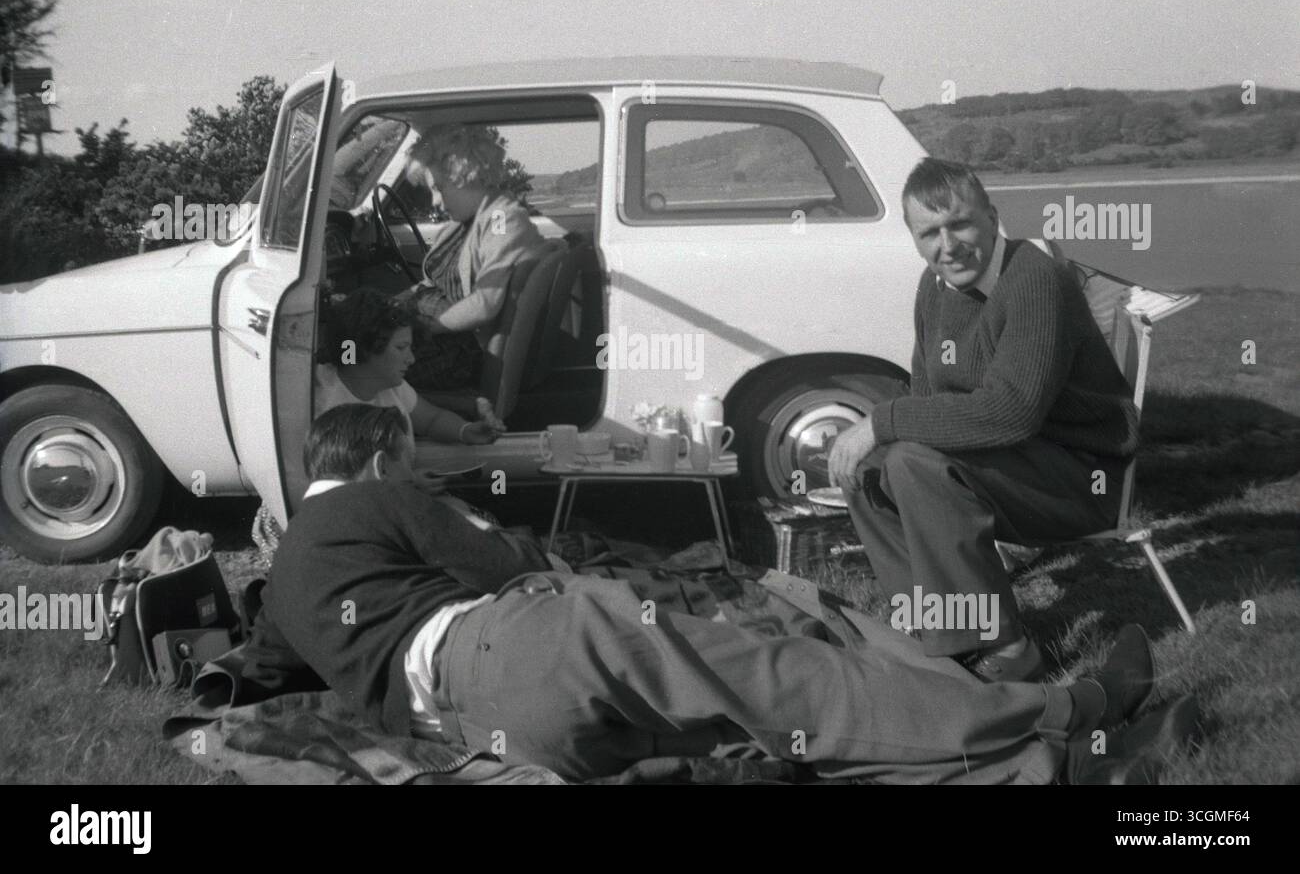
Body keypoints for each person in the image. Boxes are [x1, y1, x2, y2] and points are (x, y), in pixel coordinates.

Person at [244, 402, 1198, 784]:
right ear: (377, 458)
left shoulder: (286, 570)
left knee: (775, 737)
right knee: (791, 681)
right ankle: (1066, 707)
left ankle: (1049, 768)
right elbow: (504, 573)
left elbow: (263, 669)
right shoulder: (386, 495)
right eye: (412, 457)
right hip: (526, 644)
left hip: (492, 733)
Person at [828, 158, 1140, 682]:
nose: (947, 246)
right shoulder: (934, 289)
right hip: (1013, 469)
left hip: (1085, 479)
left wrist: (883, 421)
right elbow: (928, 395)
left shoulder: (1036, 281)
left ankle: (1005, 648)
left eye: (960, 224)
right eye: (929, 232)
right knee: (867, 470)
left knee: (911, 460)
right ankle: (934, 627)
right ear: (914, 239)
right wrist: (880, 434)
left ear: (992, 218)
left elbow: (1011, 412)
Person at [398, 124, 547, 390]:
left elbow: (484, 303)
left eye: (439, 188)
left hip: (458, 349)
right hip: (438, 333)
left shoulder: (502, 218)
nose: (434, 201)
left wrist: (423, 329)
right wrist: (392, 305)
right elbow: (433, 284)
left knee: (363, 368)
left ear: (465, 176)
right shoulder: (468, 220)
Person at [316, 287, 503, 445]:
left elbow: (432, 420)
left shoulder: (391, 387)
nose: (411, 359)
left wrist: (464, 430)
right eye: (401, 348)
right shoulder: (324, 403)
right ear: (365, 348)